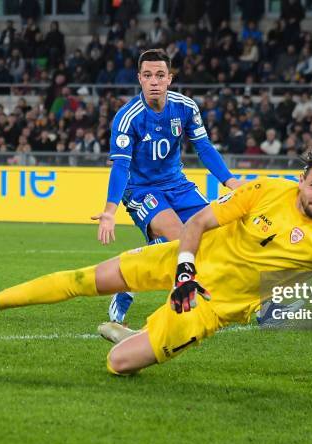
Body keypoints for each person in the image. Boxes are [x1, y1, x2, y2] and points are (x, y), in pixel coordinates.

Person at [0, 139, 312, 375]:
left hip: (212, 306)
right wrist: (183, 269)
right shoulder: (266, 190)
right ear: (302, 177)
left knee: (117, 365)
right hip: (185, 264)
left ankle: (138, 337)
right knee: (85, 277)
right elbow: (197, 223)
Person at [90, 48, 241, 323]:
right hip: (142, 190)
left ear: (170, 78)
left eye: (160, 75)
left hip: (179, 186)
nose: (154, 81)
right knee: (182, 237)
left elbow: (204, 148)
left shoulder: (185, 107)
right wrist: (110, 210)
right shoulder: (127, 118)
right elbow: (121, 166)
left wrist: (232, 183)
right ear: (139, 79)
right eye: (148, 75)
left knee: (223, 237)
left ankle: (130, 281)